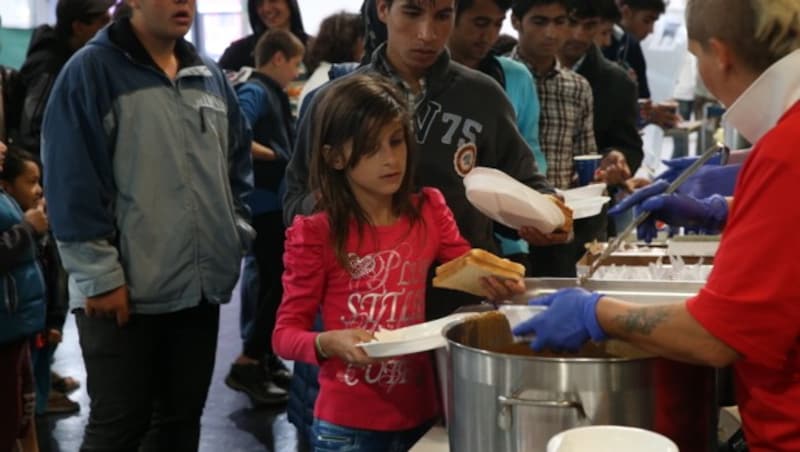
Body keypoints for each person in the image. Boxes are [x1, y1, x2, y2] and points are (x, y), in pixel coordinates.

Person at [513, 1, 800, 450]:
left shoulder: (787, 148)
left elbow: (715, 337)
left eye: (696, 54)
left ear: (720, 54)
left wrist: (598, 312)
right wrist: (723, 209)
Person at [41, 0, 253, 449]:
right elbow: (70, 179)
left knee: (180, 423)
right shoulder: (92, 72)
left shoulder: (209, 76)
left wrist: (234, 233)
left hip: (198, 288)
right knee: (120, 426)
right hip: (123, 296)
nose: (184, 3)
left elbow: (236, 165)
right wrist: (99, 277)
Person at [273, 74, 521, 452]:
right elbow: (285, 335)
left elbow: (468, 269)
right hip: (346, 427)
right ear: (335, 157)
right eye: (372, 148)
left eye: (396, 141)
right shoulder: (316, 233)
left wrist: (500, 284)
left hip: (421, 413)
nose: (391, 160)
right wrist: (326, 342)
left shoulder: (429, 210)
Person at [284, 0, 565, 320]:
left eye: (443, 16)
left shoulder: (483, 96)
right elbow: (294, 198)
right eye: (412, 13)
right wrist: (339, 205)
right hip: (366, 304)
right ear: (382, 10)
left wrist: (545, 212)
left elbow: (524, 180)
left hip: (461, 299)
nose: (427, 34)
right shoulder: (335, 101)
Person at [225, 29, 305, 406]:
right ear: (277, 59)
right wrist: (273, 156)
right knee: (276, 283)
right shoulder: (256, 90)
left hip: (271, 203)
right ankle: (249, 360)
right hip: (263, 204)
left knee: (276, 282)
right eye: (294, 63)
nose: (296, 70)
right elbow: (234, 129)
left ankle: (265, 358)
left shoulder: (267, 91)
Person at [447, 0, 546, 266]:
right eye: (480, 23)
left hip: (504, 232)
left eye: (497, 24)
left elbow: (529, 152)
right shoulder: (427, 82)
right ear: (449, 16)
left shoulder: (512, 78)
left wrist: (540, 204)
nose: (489, 35)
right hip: (441, 230)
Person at [508, 0, 595, 276]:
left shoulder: (577, 86)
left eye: (559, 22)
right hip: (508, 226)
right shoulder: (496, 78)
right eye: (540, 21)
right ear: (516, 22)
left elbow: (586, 156)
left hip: (558, 224)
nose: (551, 33)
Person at [0, 148, 76, 416]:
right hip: (11, 325)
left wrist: (53, 319)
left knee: (25, 403)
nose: (2, 148)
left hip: (29, 322)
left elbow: (50, 271)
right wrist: (27, 229)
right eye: (30, 182)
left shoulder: (32, 216)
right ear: (8, 186)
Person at [17, 0, 113, 156]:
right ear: (79, 27)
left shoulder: (82, 60)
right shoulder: (49, 66)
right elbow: (31, 132)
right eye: (103, 21)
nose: (110, 27)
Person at [0, 141, 46, 452]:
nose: (3, 146)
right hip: (3, 332)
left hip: (15, 327)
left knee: (21, 415)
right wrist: (27, 230)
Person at [218, 0, 309, 72]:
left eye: (273, 0)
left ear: (290, 4)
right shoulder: (237, 52)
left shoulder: (313, 48)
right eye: (259, 3)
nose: (266, 9)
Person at [299, 12, 365, 109]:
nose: (365, 45)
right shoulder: (337, 82)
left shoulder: (322, 75)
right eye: (362, 38)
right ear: (351, 41)